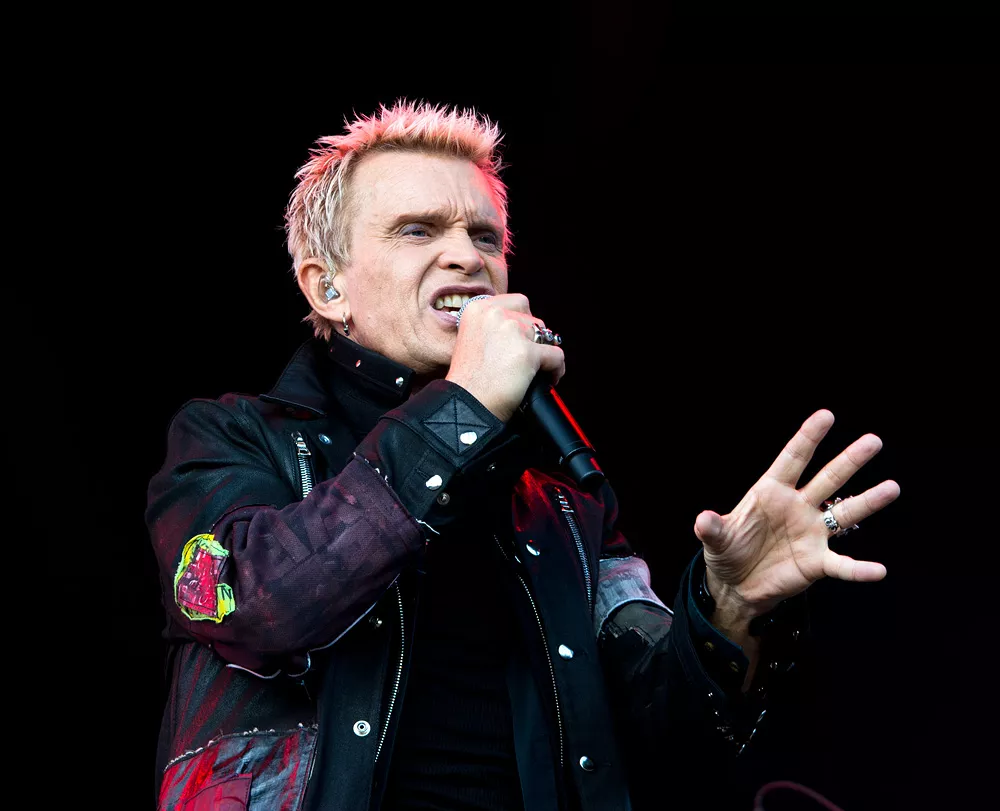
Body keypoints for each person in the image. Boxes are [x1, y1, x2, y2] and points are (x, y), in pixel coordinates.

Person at [146, 100, 900, 811]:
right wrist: (466, 404)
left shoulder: (560, 500)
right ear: (328, 287)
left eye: (484, 238)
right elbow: (252, 601)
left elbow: (666, 738)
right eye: (417, 231)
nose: (465, 257)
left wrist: (728, 608)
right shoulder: (231, 436)